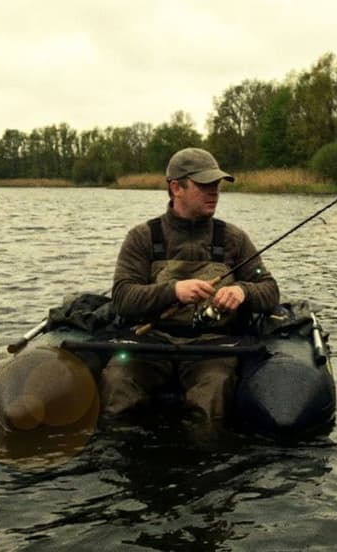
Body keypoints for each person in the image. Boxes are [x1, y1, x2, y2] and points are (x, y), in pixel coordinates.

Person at [99, 147, 280, 423]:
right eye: (204, 185)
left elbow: (269, 289)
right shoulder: (142, 237)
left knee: (212, 394)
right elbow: (123, 297)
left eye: (217, 185)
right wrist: (174, 290)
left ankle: (205, 456)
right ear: (176, 188)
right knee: (118, 384)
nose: (214, 192)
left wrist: (243, 291)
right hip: (150, 343)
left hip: (213, 347)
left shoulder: (234, 239)